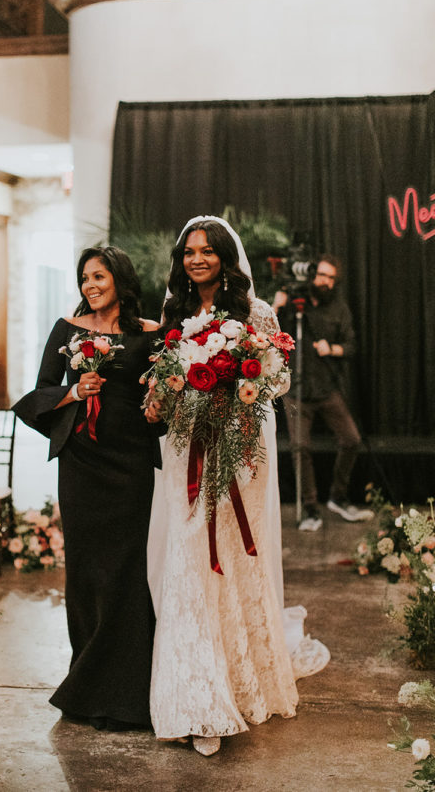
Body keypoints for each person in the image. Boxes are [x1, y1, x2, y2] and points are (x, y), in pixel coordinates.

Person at [146, 216, 320, 757]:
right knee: (189, 560)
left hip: (238, 454)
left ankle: (237, 686)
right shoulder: (173, 314)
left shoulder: (254, 312)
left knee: (230, 557)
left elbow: (279, 378)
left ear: (224, 256)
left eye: (207, 251)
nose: (197, 259)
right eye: (189, 251)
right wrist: (164, 392)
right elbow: (160, 379)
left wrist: (237, 382)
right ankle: (194, 698)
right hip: (184, 455)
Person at [13, 246, 161, 731]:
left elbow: (162, 408)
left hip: (131, 467)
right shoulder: (66, 329)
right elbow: (37, 394)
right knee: (86, 571)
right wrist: (74, 391)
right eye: (84, 278)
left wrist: (161, 412)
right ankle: (86, 683)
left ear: (120, 279)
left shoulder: (151, 335)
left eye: (99, 276)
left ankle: (127, 693)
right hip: (81, 465)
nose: (90, 285)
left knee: (126, 571)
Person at [273, 255, 371, 532]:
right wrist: (277, 306)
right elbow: (267, 333)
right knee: (300, 448)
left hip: (327, 387)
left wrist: (333, 349)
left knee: (351, 439)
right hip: (296, 390)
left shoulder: (338, 308)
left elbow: (351, 346)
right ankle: (310, 507)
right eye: (322, 275)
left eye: (331, 278)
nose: (325, 282)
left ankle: (338, 497)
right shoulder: (293, 302)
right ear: (312, 274)